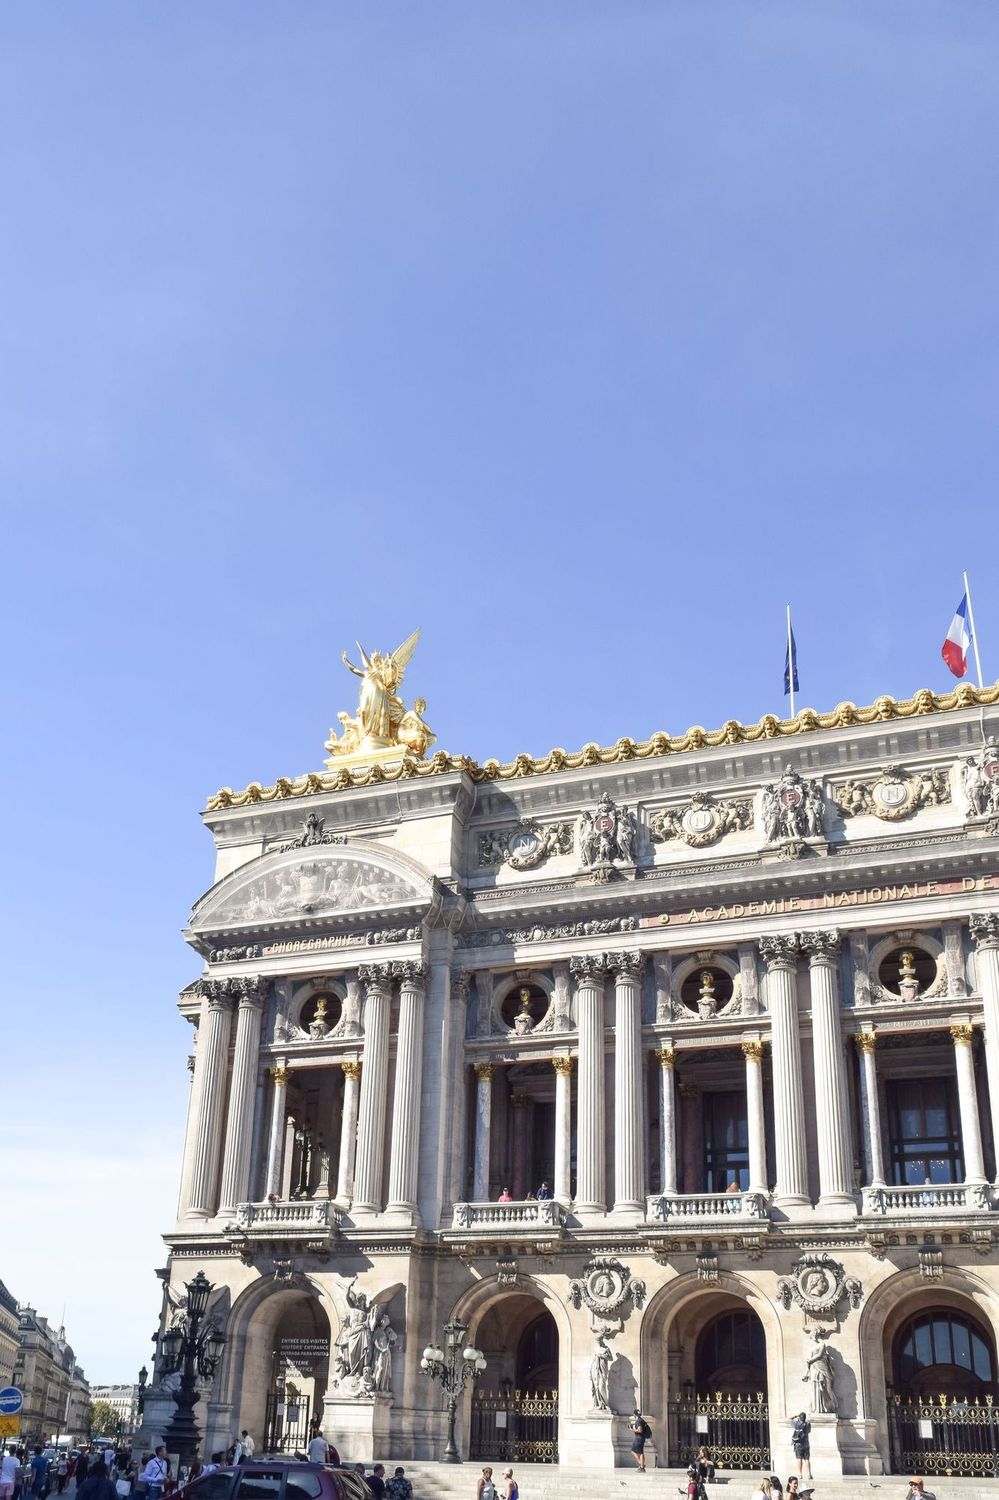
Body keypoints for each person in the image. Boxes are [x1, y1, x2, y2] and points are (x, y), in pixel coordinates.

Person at [790, 1413, 811, 1480]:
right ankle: (809, 1474)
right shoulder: (807, 1424)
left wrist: (795, 1416)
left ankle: (800, 1474)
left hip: (798, 1444)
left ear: (800, 1417)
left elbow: (790, 1419)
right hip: (806, 1444)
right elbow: (809, 1431)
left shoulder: (796, 1424)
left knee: (799, 1459)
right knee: (807, 1460)